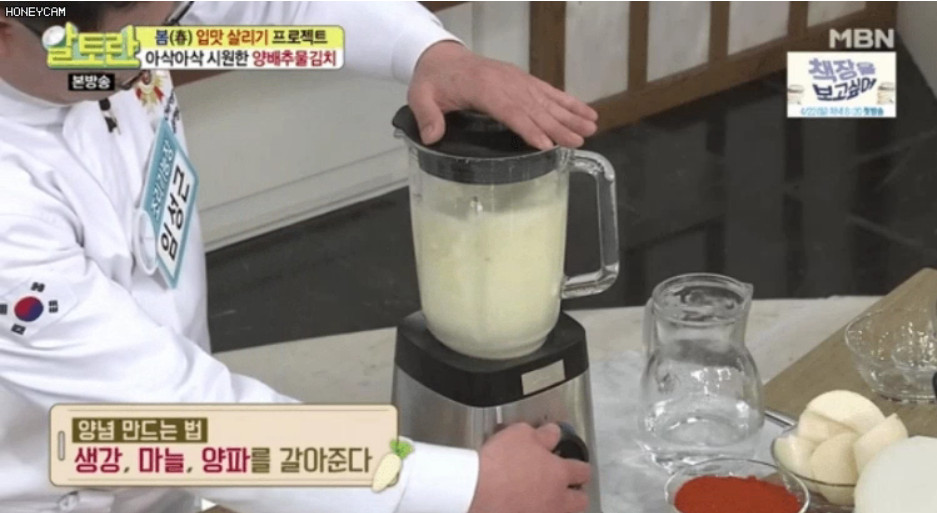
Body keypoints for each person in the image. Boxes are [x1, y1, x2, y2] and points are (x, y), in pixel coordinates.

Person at [0, 2, 599, 513]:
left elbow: (283, 12)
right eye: (125, 47)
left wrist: (430, 54)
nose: (157, 50)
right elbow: (176, 423)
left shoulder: (99, 30)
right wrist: (460, 488)